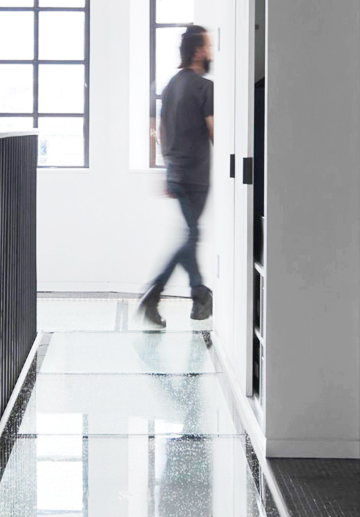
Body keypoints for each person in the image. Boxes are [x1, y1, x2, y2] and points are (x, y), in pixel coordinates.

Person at [139, 25, 215, 328]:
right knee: (192, 235)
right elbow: (214, 132)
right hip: (196, 176)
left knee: (191, 235)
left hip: (176, 174)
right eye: (207, 46)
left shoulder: (171, 86)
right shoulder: (204, 87)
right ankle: (189, 293)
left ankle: (192, 295)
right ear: (197, 50)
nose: (210, 52)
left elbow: (161, 131)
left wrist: (168, 170)